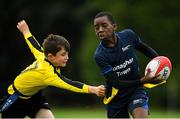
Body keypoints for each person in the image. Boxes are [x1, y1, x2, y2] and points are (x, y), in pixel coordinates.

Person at [0, 20, 106, 118]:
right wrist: (94, 89)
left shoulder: (42, 55)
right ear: (50, 56)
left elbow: (34, 45)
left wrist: (26, 31)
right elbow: (70, 84)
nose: (67, 57)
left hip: (34, 97)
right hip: (15, 99)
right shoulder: (48, 73)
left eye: (67, 54)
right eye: (63, 54)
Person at [93, 11, 163, 118]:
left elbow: (145, 49)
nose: (100, 30)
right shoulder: (100, 55)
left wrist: (160, 62)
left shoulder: (128, 36)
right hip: (116, 97)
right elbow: (116, 83)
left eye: (104, 25)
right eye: (97, 27)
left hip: (136, 90)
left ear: (114, 26)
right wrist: (143, 80)